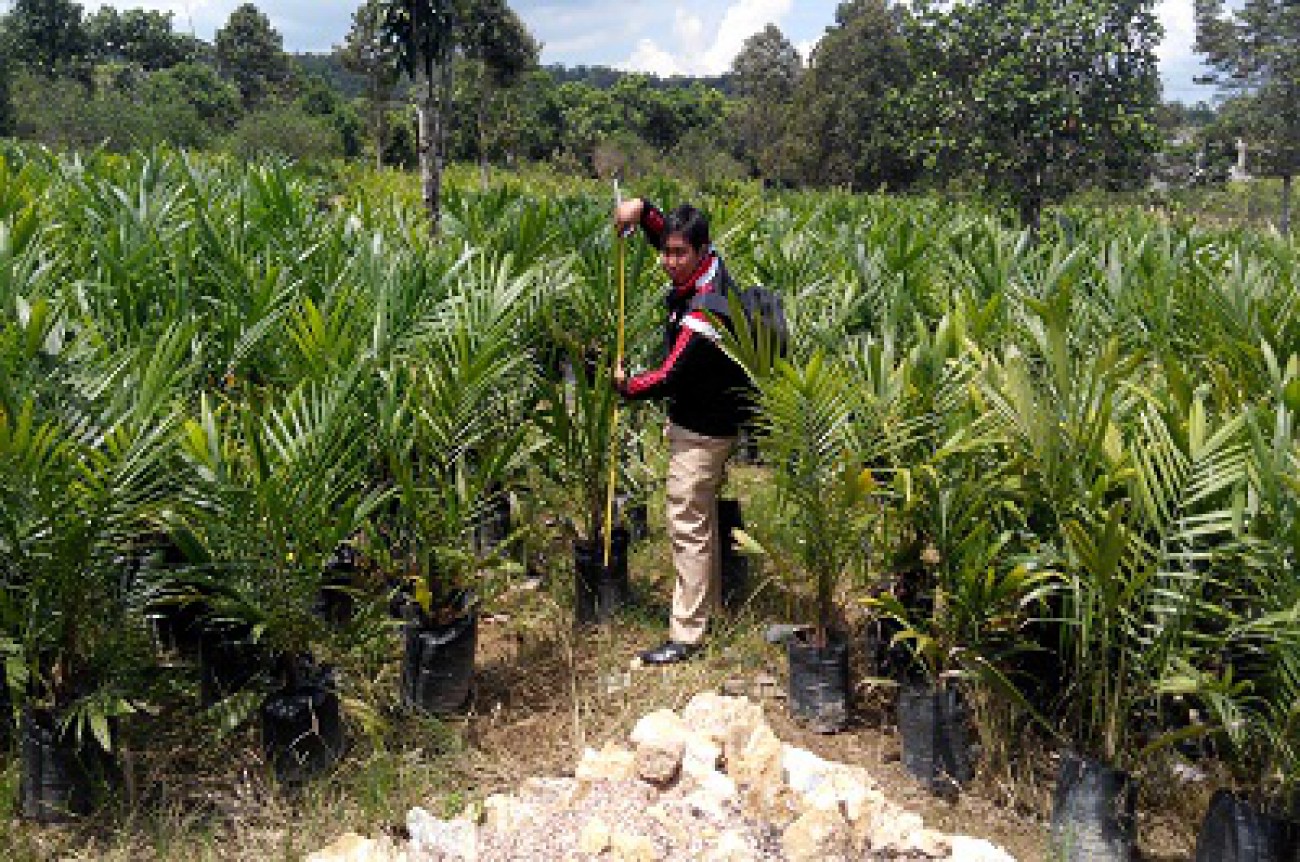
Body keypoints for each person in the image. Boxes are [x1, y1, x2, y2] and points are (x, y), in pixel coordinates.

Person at [612, 197, 751, 665]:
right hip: (707, 418)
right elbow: (664, 235)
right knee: (701, 517)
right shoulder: (705, 268)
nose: (669, 263)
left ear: (703, 250)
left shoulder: (706, 310)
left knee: (687, 522)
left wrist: (626, 387)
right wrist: (643, 211)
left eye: (678, 254)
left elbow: (669, 375)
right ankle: (706, 609)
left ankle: (687, 636)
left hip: (704, 430)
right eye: (665, 252)